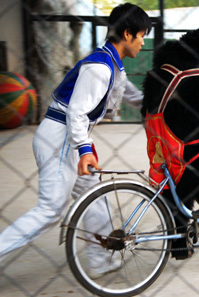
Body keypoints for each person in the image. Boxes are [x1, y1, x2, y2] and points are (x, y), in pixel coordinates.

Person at [0, 3, 152, 278]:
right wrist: (84, 149)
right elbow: (77, 112)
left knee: (94, 195)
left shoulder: (111, 65)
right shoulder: (100, 68)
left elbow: (134, 97)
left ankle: (99, 261)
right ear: (128, 34)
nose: (143, 42)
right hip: (60, 138)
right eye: (141, 35)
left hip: (66, 137)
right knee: (50, 210)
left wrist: (168, 99)